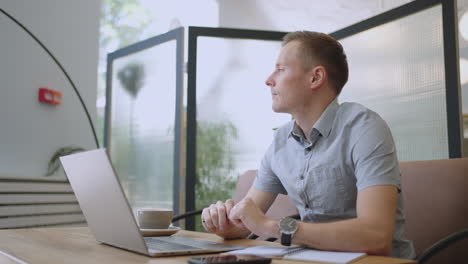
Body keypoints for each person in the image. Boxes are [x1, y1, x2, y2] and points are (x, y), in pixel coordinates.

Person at [200, 31, 415, 259]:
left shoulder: (364, 128)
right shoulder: (281, 142)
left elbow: (376, 238)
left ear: (315, 78)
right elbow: (245, 220)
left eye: (280, 69)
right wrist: (223, 223)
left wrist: (273, 228)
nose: (268, 79)